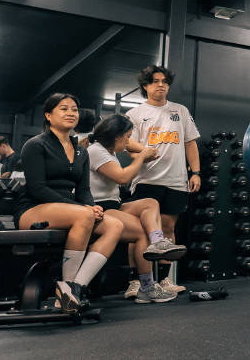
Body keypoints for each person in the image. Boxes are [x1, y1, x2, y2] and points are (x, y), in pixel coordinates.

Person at [13, 93, 124, 314]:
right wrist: (82, 209)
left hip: (71, 209)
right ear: (48, 115)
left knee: (115, 225)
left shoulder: (81, 150)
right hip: (33, 209)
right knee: (83, 215)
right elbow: (37, 188)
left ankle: (74, 288)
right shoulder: (34, 145)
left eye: (74, 109)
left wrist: (92, 205)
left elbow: (83, 190)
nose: (71, 113)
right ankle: (66, 291)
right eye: (64, 109)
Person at [88, 114, 188, 303]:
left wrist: (145, 151)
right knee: (142, 232)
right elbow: (123, 177)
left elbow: (133, 149)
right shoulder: (96, 151)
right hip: (98, 209)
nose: (128, 142)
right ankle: (147, 287)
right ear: (116, 136)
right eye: (126, 137)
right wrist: (142, 156)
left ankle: (158, 242)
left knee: (151, 202)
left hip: (113, 204)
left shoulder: (108, 151)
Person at [123, 65, 200, 296]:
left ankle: (165, 280)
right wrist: (144, 153)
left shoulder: (180, 111)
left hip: (176, 181)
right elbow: (128, 146)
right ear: (145, 86)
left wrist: (195, 172)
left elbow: (190, 143)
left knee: (168, 228)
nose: (161, 85)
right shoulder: (134, 114)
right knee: (140, 232)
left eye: (164, 81)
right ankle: (136, 282)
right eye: (155, 81)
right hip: (147, 180)